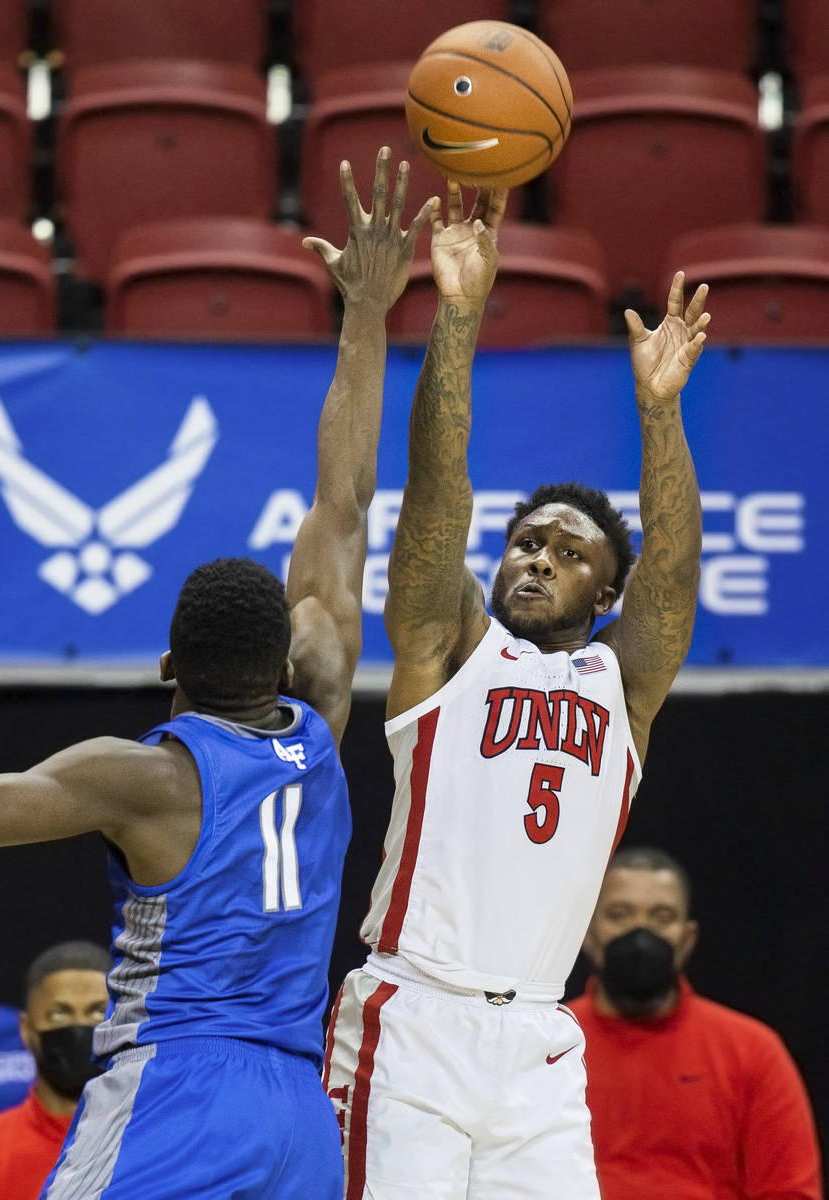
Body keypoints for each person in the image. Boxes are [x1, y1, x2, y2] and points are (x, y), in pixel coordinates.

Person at [0, 149, 434, 1200]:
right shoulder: (318, 712)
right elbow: (346, 498)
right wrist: (365, 311)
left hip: (175, 1093)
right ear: (284, 657)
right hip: (294, 1111)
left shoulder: (142, 778)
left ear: (169, 664)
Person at [323, 181, 711, 1199]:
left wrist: (657, 414)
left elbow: (670, 577)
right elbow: (436, 502)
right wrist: (456, 317)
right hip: (412, 1018)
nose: (535, 560)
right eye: (524, 542)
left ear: (604, 590)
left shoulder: (618, 684)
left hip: (539, 1039)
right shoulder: (449, 645)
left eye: (566, 552)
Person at [572, 846, 823, 1199]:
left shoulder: (752, 1051)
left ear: (687, 938)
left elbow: (790, 1191)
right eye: (619, 914)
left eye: (661, 916)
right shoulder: (548, 1045)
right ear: (587, 932)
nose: (640, 933)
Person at [0, 941, 110, 1200]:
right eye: (59, 1014)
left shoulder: (158, 1146)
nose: (79, 1026)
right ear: (25, 1029)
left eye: (98, 1012)